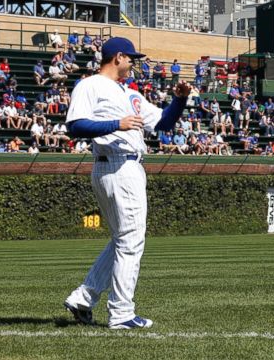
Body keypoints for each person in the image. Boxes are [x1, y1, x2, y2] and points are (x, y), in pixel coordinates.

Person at [63, 37, 191, 330]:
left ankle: (84, 297)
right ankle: (121, 313)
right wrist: (115, 125)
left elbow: (163, 124)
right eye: (130, 57)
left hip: (127, 165)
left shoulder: (129, 92)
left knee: (123, 239)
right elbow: (74, 126)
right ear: (117, 57)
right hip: (116, 163)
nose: (133, 62)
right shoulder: (90, 85)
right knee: (131, 241)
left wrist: (180, 100)